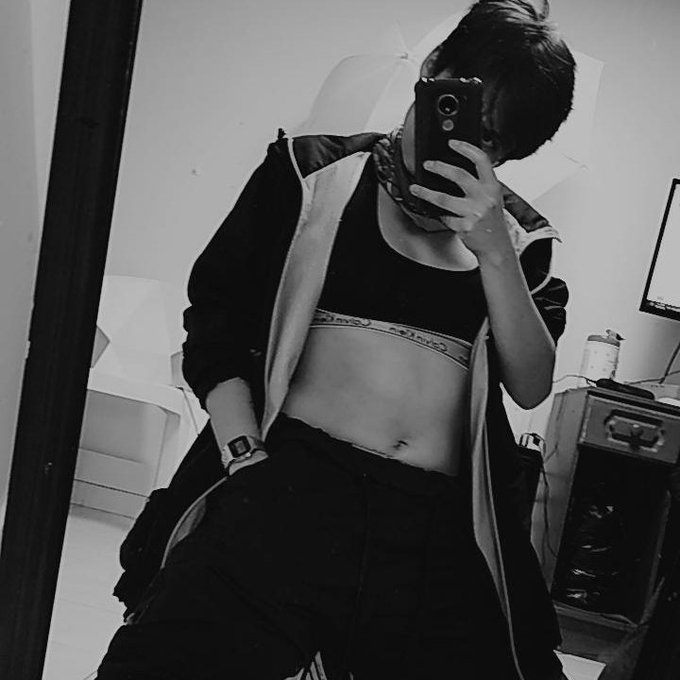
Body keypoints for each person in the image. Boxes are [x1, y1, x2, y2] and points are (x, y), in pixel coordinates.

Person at [97, 1, 576, 678]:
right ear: (434, 68)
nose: (472, 145)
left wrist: (496, 252)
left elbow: (530, 384)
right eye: (463, 110)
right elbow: (216, 323)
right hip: (291, 484)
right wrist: (244, 457)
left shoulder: (522, 240)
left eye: (494, 142)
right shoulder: (307, 174)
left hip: (435, 526)